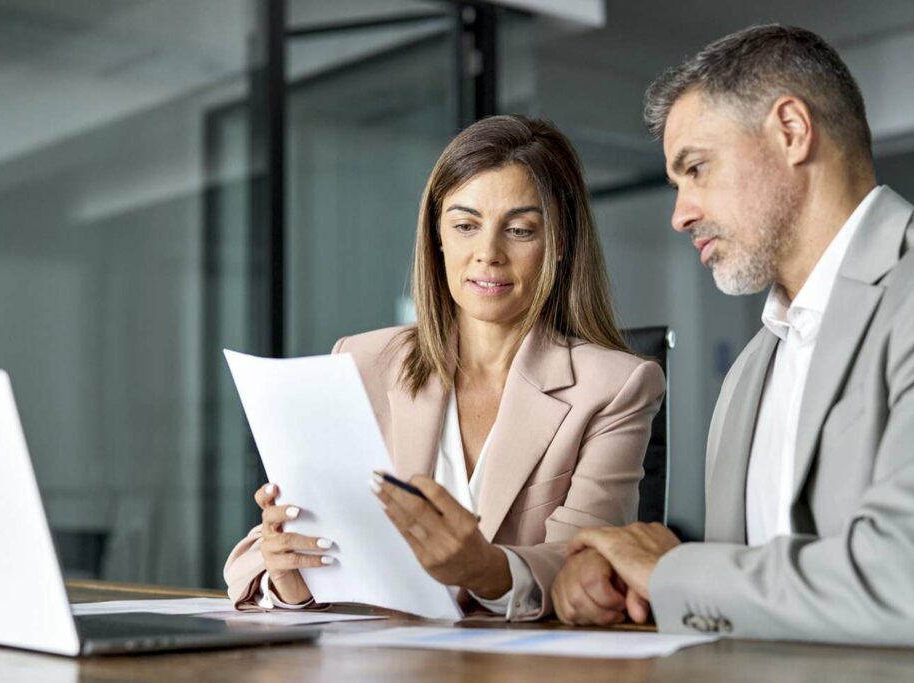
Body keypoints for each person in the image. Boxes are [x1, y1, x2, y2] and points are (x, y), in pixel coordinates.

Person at [552, 24, 914, 645]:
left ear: (791, 131)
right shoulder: (751, 372)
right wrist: (625, 582)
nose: (681, 214)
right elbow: (736, 598)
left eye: (696, 169)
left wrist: (670, 570)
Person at [224, 115, 665, 620]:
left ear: (560, 243)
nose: (488, 255)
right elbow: (252, 562)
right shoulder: (361, 361)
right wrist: (288, 573)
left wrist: (486, 570)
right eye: (465, 226)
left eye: (520, 230)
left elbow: (584, 566)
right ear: (437, 236)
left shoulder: (615, 386)